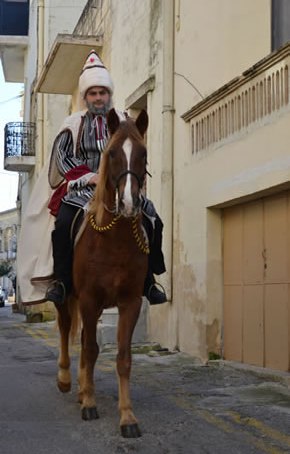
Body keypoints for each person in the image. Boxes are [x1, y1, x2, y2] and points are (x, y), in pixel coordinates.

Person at [45, 50, 167, 306]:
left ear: (109, 94)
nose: (98, 98)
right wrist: (89, 177)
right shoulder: (73, 124)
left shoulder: (124, 121)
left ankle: (149, 281)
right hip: (82, 191)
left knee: (153, 219)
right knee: (63, 225)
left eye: (102, 92)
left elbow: (134, 152)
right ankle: (63, 282)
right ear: (85, 97)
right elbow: (62, 157)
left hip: (119, 187)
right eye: (93, 93)